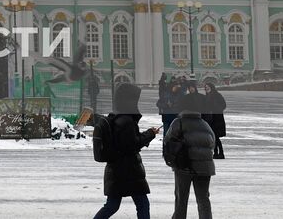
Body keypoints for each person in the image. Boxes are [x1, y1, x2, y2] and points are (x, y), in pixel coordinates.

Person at [91, 82, 159, 219]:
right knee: (142, 204)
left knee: (112, 205)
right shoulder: (126, 120)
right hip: (128, 170)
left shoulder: (117, 116)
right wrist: (150, 134)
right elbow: (132, 144)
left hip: (117, 169)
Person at [163, 102, 218, 219]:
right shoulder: (205, 124)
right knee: (203, 199)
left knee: (181, 198)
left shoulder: (178, 122)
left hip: (184, 165)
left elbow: (168, 141)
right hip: (205, 167)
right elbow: (212, 143)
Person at [202, 81, 227, 159]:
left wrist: (215, 109)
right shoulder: (207, 96)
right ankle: (216, 153)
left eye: (208, 87)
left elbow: (223, 105)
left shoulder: (217, 95)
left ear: (211, 88)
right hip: (210, 119)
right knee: (213, 137)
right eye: (205, 88)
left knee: (215, 136)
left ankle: (220, 153)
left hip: (216, 119)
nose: (206, 89)